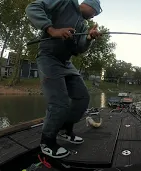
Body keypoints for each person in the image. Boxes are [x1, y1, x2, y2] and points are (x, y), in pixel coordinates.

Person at [25, 0, 102, 159]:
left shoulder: (82, 25)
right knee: (59, 103)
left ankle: (65, 130)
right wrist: (52, 30)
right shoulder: (66, 2)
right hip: (48, 58)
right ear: (89, 5)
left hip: (66, 62)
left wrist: (88, 38)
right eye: (95, 11)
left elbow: (78, 49)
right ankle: (47, 141)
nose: (94, 15)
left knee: (82, 98)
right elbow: (32, 8)